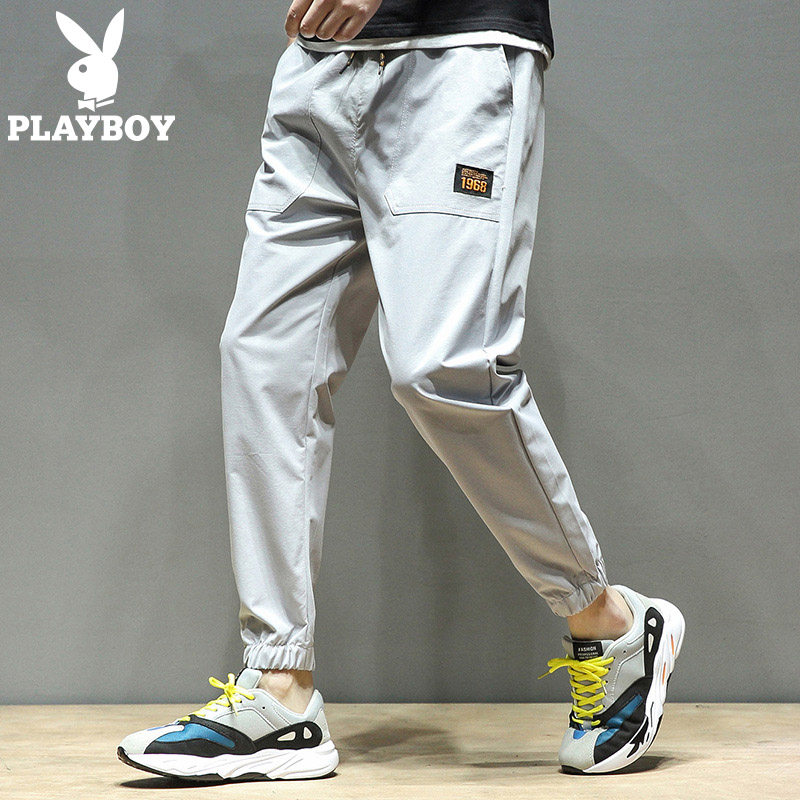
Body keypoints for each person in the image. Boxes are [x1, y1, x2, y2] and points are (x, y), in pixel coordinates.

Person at [118, 0, 685, 781]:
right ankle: (280, 689)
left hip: (455, 54)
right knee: (265, 360)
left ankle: (608, 621)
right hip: (321, 64)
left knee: (443, 367)